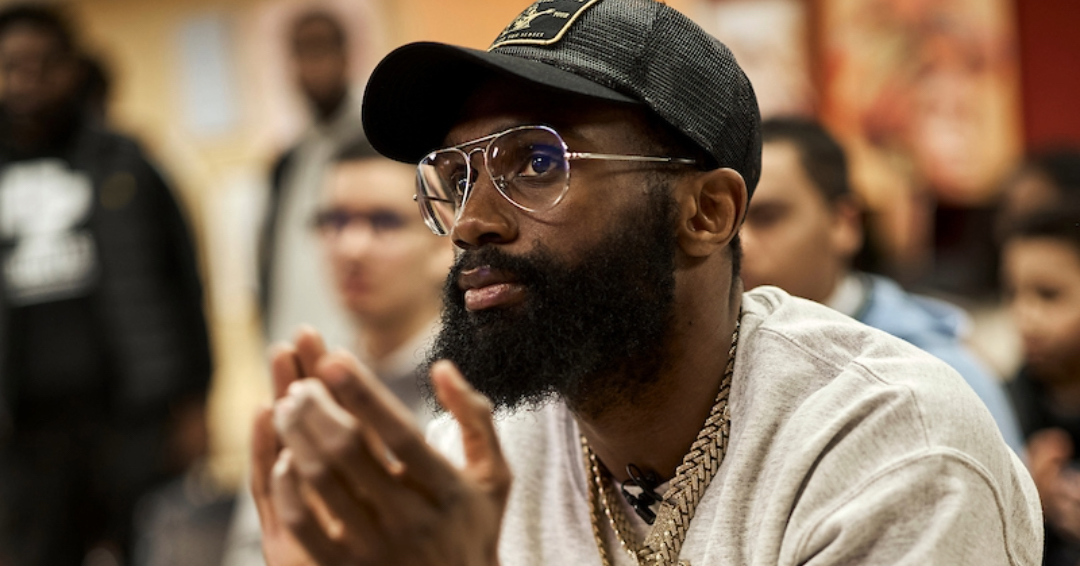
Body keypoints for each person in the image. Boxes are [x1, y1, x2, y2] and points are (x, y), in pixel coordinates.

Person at [251, 1, 1042, 564]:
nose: (470, 222)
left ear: (707, 213)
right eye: (457, 177)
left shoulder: (888, 451)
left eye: (537, 162)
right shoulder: (475, 455)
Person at [0, 4, 212, 565]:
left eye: (43, 64)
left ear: (72, 69)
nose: (27, 80)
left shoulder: (126, 162)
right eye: (13, 66)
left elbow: (184, 283)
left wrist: (194, 403)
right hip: (25, 436)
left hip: (129, 420)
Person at [221, 141, 451, 566]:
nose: (351, 248)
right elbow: (251, 548)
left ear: (443, 243)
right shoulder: (307, 387)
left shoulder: (480, 391)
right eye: (335, 221)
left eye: (384, 222)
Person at [739, 116, 1025, 455]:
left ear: (843, 223)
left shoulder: (937, 369)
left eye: (767, 217)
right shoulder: (715, 360)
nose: (741, 243)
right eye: (730, 218)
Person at [260, 8, 365, 349]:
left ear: (345, 56)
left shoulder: (377, 146)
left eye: (321, 48)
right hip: (294, 343)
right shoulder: (288, 162)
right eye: (302, 51)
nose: (313, 64)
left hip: (362, 349)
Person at [1001, 201, 1080, 566]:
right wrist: (1028, 506)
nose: (1025, 316)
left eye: (1049, 294)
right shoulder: (1009, 403)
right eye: (1012, 293)